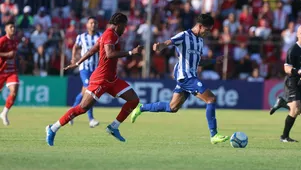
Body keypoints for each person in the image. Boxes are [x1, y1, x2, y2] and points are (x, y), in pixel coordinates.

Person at [45, 13, 143, 146]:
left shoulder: (107, 35)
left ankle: (113, 127)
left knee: (133, 99)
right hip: (100, 79)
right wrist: (131, 52)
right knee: (82, 108)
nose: (125, 29)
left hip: (112, 79)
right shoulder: (109, 35)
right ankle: (52, 128)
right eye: (124, 26)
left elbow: (92, 50)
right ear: (119, 25)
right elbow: (109, 54)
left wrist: (78, 62)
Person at [130, 14, 229, 144]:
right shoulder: (184, 35)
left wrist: (214, 61)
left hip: (190, 76)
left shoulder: (199, 41)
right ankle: (214, 135)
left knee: (172, 107)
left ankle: (141, 108)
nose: (208, 33)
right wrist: (160, 46)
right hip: (185, 76)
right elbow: (168, 42)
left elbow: (198, 62)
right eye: (207, 29)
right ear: (199, 26)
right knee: (211, 99)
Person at [269, 24, 301, 142]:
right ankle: (284, 137)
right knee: (295, 109)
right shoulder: (293, 50)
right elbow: (287, 68)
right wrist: (300, 72)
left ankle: (283, 103)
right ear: (297, 35)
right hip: (292, 81)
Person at [69, 17, 101, 128]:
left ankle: (71, 113)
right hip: (85, 68)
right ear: (87, 25)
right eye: (91, 22)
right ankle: (91, 119)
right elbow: (75, 46)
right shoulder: (81, 37)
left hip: (96, 69)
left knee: (84, 93)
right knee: (90, 91)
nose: (93, 24)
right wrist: (73, 58)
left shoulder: (100, 36)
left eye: (95, 22)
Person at [0, 21, 19, 126]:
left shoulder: (15, 41)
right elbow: (8, 54)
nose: (13, 29)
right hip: (1, 71)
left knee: (14, 91)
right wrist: (7, 54)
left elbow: (14, 54)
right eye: (11, 27)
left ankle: (4, 113)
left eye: (14, 27)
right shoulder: (2, 40)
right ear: (5, 29)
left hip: (11, 71)